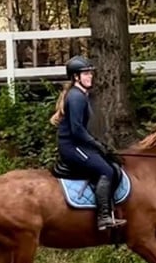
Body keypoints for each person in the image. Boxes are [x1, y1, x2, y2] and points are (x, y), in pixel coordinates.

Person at [50, 55, 127, 231]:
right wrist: (97, 145)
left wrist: (100, 146)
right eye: (85, 74)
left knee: (111, 164)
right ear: (76, 77)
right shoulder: (76, 97)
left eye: (90, 73)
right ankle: (103, 218)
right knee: (106, 170)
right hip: (71, 147)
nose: (89, 76)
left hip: (78, 144)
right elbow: (77, 130)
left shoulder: (81, 95)